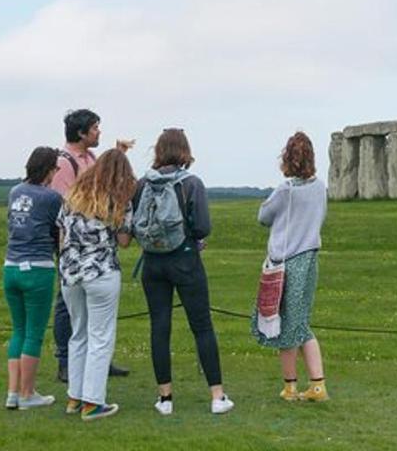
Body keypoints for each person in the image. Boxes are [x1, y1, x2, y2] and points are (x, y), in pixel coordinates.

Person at [133, 128, 234, 415]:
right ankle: (217, 396)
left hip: (152, 262)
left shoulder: (142, 184)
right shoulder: (191, 184)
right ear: (184, 152)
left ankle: (165, 398)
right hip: (185, 259)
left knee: (159, 327)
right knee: (201, 326)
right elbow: (202, 226)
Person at [49, 108, 131, 382]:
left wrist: (117, 156)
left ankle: (97, 361)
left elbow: (103, 182)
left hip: (91, 247)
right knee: (66, 304)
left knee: (86, 314)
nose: (99, 132)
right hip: (74, 246)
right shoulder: (64, 164)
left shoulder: (92, 158)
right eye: (95, 128)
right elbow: (64, 205)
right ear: (81, 133)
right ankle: (65, 361)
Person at [56, 148, 136, 421]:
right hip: (101, 271)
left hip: (70, 272)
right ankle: (93, 402)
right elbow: (124, 242)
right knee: (101, 336)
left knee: (78, 334)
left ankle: (74, 397)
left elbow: (61, 234)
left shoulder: (72, 197)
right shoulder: (118, 200)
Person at [251, 131, 329, 401]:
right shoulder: (320, 187)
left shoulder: (286, 190)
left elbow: (264, 216)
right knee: (302, 322)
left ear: (287, 158)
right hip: (310, 258)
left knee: (285, 327)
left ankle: (290, 386)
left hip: (287, 263)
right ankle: (317, 384)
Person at [3, 146, 64, 410]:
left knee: (18, 329)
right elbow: (58, 233)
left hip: (11, 267)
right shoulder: (51, 197)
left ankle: (13, 393)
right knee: (34, 334)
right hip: (38, 268)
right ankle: (28, 395)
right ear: (49, 169)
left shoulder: (15, 191)